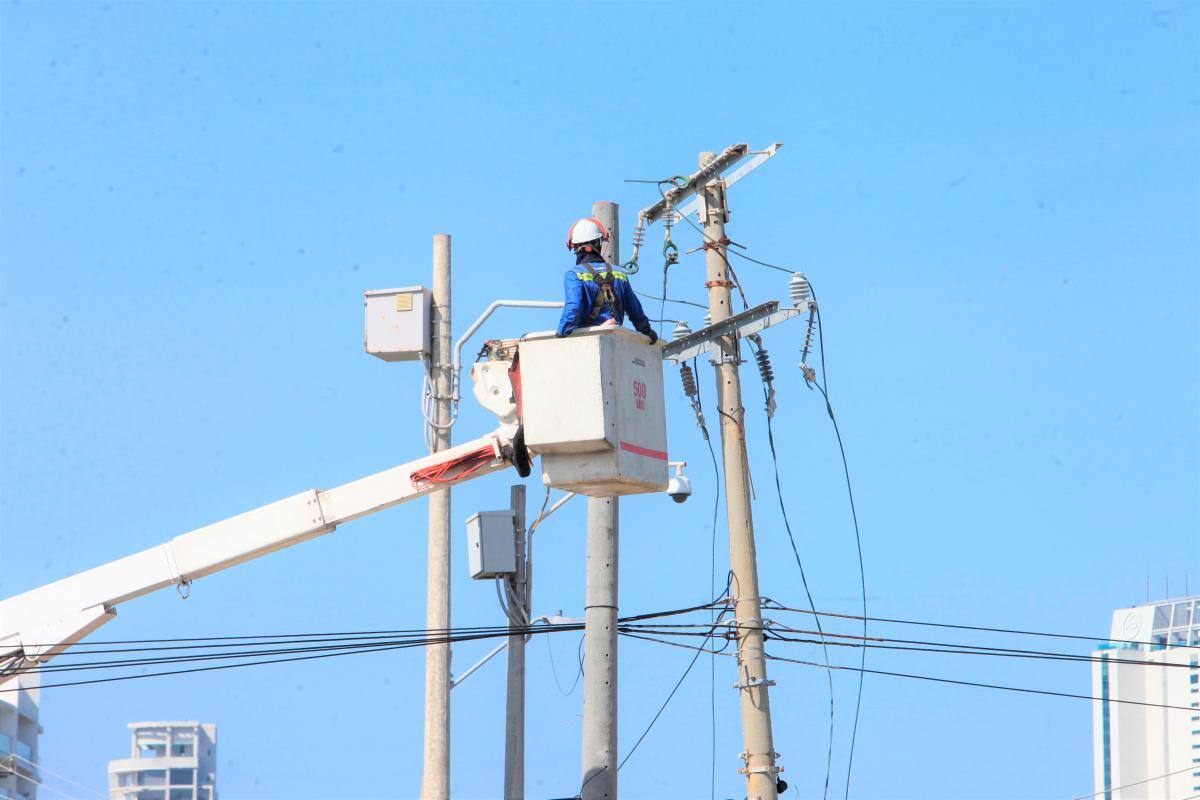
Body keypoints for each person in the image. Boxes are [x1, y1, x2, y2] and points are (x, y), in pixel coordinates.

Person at [556, 217, 658, 343]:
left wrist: (561, 334)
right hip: (615, 338)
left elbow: (574, 307)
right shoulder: (619, 272)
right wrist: (647, 331)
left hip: (589, 340)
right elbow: (634, 308)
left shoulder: (574, 274)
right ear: (599, 243)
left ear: (575, 247)